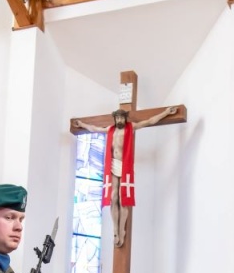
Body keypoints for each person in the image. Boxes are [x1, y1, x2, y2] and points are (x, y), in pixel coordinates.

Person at [72, 106, 177, 248]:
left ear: (125, 118)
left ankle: (122, 229)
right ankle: (115, 229)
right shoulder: (110, 130)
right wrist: (83, 125)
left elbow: (150, 121)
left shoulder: (131, 127)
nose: (120, 120)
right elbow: (94, 129)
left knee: (123, 198)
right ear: (115, 119)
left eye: (122, 117)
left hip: (125, 164)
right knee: (113, 196)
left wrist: (165, 113)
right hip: (113, 164)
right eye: (118, 118)